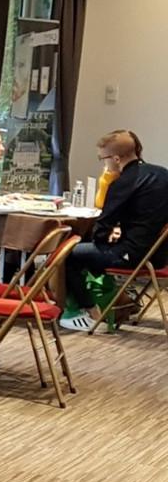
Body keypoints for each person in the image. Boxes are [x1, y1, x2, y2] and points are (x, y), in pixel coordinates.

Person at [59, 130, 168, 332]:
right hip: (159, 255)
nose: (103, 164)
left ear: (116, 159)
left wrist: (108, 238)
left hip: (133, 255)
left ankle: (90, 312)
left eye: (103, 158)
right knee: (88, 254)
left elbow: (102, 227)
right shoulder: (163, 174)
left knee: (68, 255)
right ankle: (110, 302)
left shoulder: (123, 183)